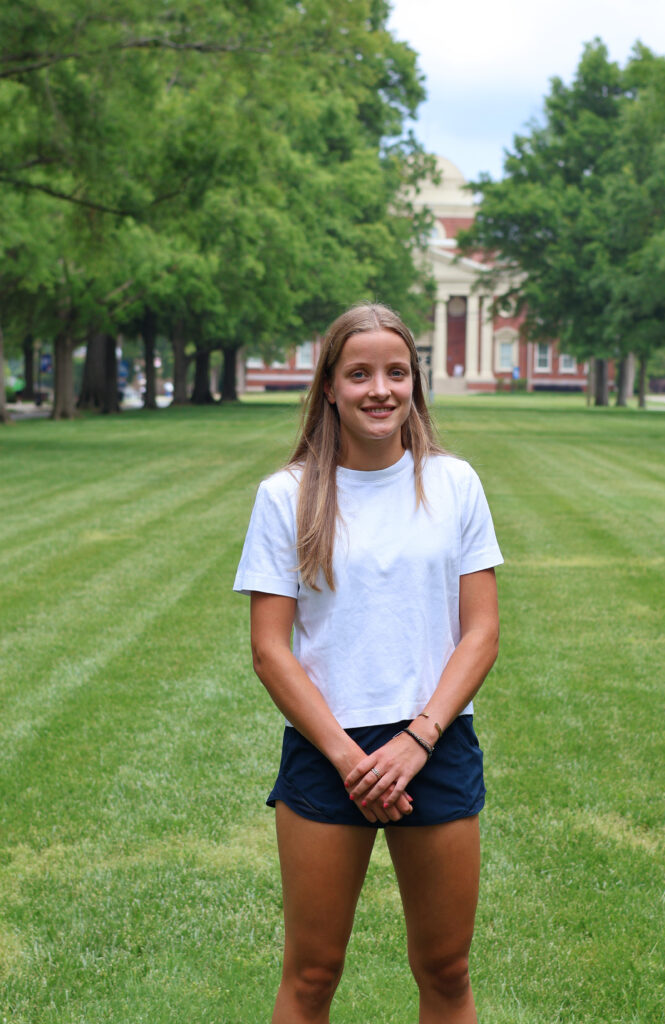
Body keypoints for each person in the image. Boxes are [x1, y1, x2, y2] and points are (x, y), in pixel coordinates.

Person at [233, 302, 503, 1023]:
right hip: (328, 751)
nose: (379, 389)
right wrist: (351, 759)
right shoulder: (284, 496)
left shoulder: (454, 484)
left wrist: (417, 739)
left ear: (414, 383)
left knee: (445, 970)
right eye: (359, 374)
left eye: (395, 372)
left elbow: (479, 633)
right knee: (313, 975)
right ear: (328, 387)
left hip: (436, 747)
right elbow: (269, 649)